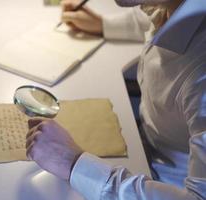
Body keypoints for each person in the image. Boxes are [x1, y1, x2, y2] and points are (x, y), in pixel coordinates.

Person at [26, 0, 206, 199]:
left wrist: (72, 163)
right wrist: (103, 24)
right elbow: (154, 13)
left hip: (162, 185)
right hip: (145, 144)